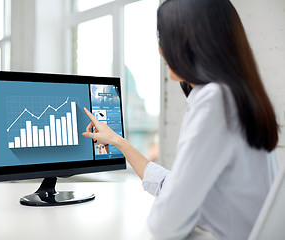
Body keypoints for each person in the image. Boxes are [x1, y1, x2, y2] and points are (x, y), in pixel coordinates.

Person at [82, 0, 279, 239]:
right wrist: (118, 142)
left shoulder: (215, 101)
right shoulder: (238, 94)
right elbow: (176, 185)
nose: (160, 49)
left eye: (163, 36)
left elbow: (166, 224)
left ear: (188, 38)